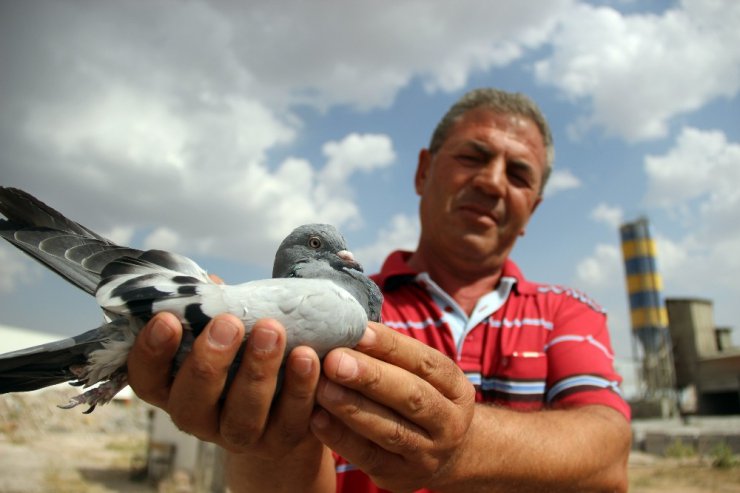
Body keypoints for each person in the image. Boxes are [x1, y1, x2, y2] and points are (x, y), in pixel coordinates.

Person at [127, 88, 631, 492]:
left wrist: (462, 445)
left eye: (519, 173)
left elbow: (608, 456)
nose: (493, 182)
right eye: (473, 156)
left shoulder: (568, 312)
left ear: (532, 210)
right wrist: (269, 438)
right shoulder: (340, 308)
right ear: (422, 172)